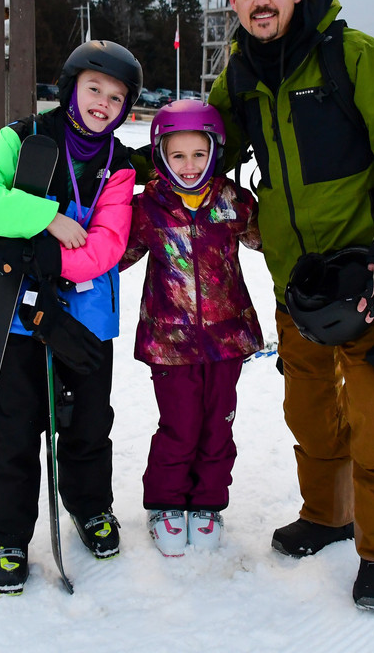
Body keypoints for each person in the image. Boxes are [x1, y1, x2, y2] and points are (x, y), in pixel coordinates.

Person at [206, 0, 374, 611]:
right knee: (310, 414)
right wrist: (113, 160)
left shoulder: (352, 55)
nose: (261, 1)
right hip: (294, 286)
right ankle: (329, 516)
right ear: (233, 1)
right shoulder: (242, 73)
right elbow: (204, 146)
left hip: (369, 281)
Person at [0, 40, 142, 595]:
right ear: (70, 87)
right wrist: (49, 217)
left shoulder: (120, 166)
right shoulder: (22, 138)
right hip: (16, 316)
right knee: (13, 426)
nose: (103, 103)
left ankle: (89, 507)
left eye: (116, 97)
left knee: (86, 422)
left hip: (84, 317)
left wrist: (37, 250)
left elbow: (107, 245)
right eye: (94, 89)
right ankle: (7, 536)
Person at [119, 100, 263, 557]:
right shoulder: (148, 208)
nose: (188, 165)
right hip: (170, 342)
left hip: (227, 339)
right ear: (160, 155)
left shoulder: (234, 202)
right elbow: (116, 255)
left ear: (214, 153)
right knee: (180, 425)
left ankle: (208, 502)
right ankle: (164, 502)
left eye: (198, 154)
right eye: (177, 155)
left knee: (218, 424)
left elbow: (272, 240)